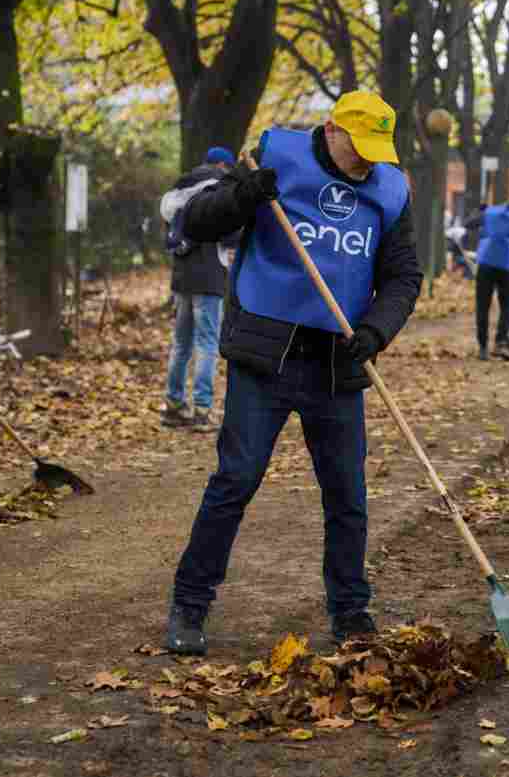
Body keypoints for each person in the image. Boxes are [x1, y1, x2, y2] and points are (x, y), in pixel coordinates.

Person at [164, 90, 422, 655]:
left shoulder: (390, 188)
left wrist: (377, 331)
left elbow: (404, 276)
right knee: (235, 481)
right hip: (265, 355)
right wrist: (240, 198)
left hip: (338, 364)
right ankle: (189, 604)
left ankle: (352, 612)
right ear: (331, 129)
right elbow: (198, 223)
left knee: (348, 495)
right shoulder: (274, 157)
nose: (369, 160)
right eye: (360, 146)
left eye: (379, 149)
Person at [159, 147, 241, 429]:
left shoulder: (180, 186)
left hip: (182, 274)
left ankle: (173, 405)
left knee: (181, 343)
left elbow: (169, 229)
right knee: (206, 343)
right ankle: (202, 410)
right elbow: (231, 232)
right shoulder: (218, 188)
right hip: (209, 274)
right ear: (222, 165)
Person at [474, 193, 509, 361]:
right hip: (506, 264)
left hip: (485, 262)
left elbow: (471, 224)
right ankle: (500, 341)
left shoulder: (491, 212)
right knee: (507, 305)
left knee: (482, 306)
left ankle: (483, 348)